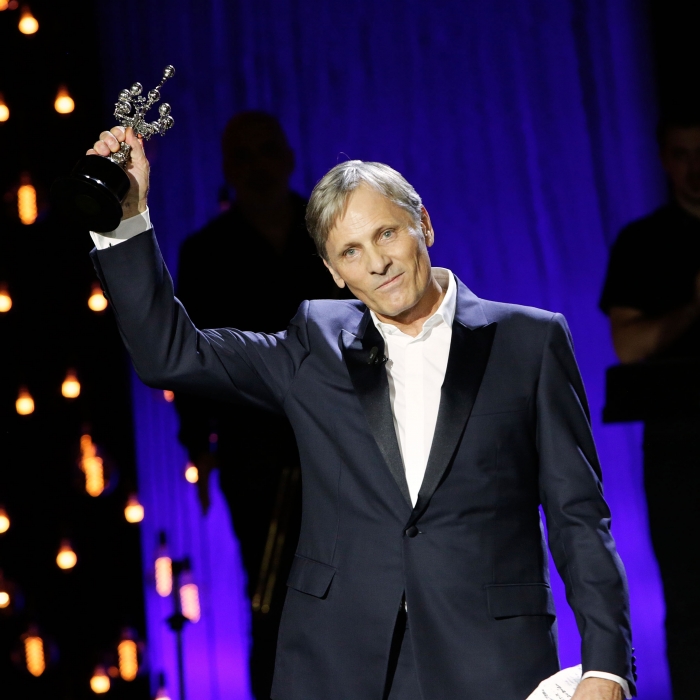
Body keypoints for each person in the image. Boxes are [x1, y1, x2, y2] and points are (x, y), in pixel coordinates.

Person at [86, 125, 636, 700]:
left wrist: (606, 666)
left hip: (489, 659)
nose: (377, 263)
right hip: (337, 662)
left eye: (386, 234)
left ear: (423, 224)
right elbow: (170, 355)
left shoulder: (529, 340)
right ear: (333, 272)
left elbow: (578, 517)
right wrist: (126, 218)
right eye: (351, 251)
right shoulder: (315, 345)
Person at [173, 112, 334, 700]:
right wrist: (200, 446)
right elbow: (190, 360)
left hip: (342, 439)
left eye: (267, 151)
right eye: (244, 156)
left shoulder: (330, 231)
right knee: (272, 594)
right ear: (228, 169)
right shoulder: (206, 253)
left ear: (288, 156)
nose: (259, 167)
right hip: (255, 450)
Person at [600, 114, 700, 700]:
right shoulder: (644, 242)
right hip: (681, 450)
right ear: (665, 160)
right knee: (690, 602)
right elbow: (629, 345)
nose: (695, 168)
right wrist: (692, 308)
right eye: (682, 154)